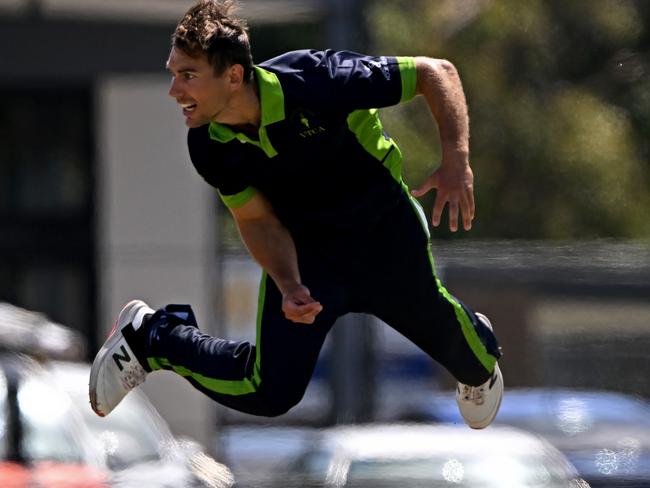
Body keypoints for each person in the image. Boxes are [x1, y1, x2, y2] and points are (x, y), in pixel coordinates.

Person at [89, 0, 503, 429]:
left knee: (479, 364)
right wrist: (288, 284)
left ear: (233, 75)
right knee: (269, 392)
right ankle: (154, 337)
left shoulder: (317, 78)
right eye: (173, 74)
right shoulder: (208, 145)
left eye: (188, 75)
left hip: (386, 243)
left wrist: (456, 161)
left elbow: (436, 73)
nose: (175, 91)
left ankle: (472, 337)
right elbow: (256, 221)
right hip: (310, 260)